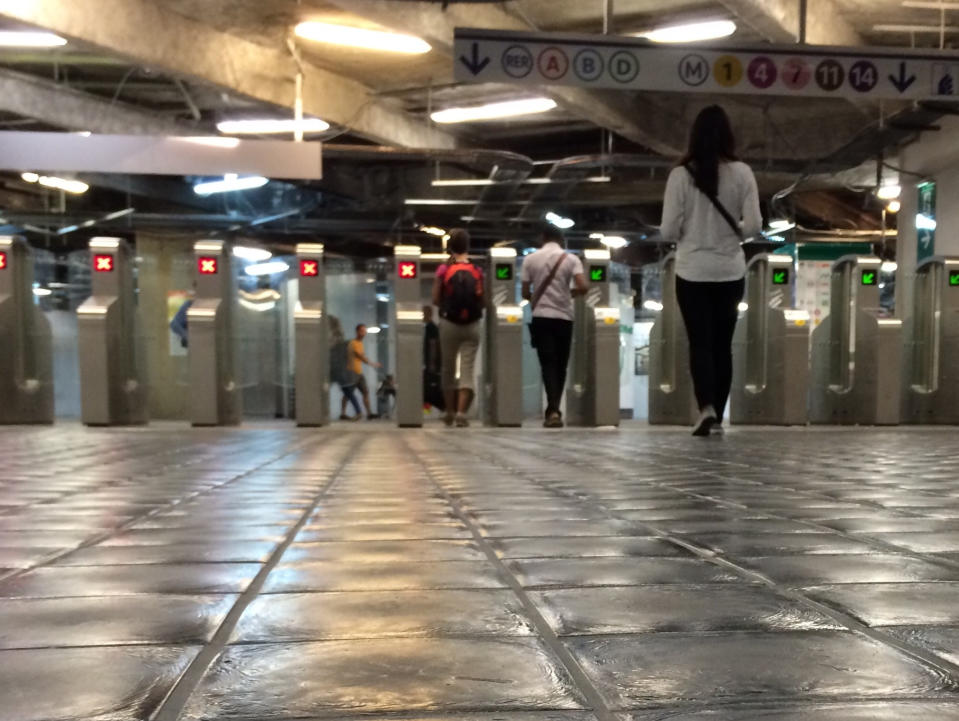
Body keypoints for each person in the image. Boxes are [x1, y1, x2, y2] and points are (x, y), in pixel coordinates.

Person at [660, 104, 762, 436]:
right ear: (728, 135)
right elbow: (754, 228)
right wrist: (733, 231)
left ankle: (705, 408)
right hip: (730, 273)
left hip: (691, 273)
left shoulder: (680, 175)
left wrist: (690, 232)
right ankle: (717, 413)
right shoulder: (743, 173)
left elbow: (667, 232)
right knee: (722, 345)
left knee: (699, 343)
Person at [521, 225, 588, 428]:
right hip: (564, 318)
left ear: (543, 237)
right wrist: (570, 294)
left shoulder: (530, 259)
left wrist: (537, 300)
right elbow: (583, 286)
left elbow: (525, 291)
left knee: (547, 363)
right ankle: (554, 410)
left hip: (541, 317)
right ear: (561, 239)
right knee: (561, 365)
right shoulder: (571, 259)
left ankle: (553, 411)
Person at [432, 228, 484, 427]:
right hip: (472, 325)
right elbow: (484, 301)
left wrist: (447, 308)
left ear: (449, 247)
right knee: (467, 370)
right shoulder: (477, 270)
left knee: (448, 368)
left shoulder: (444, 270)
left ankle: (450, 412)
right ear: (467, 246)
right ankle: (462, 413)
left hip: (449, 324)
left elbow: (436, 299)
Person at [328, 315, 361, 421]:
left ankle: (357, 411)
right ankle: (356, 411)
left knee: (347, 392)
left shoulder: (340, 342)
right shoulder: (338, 340)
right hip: (336, 370)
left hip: (338, 371)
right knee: (347, 392)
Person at [348, 323, 382, 420]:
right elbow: (360, 357)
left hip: (359, 373)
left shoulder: (360, 344)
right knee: (348, 394)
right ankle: (342, 413)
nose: (364, 333)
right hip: (351, 373)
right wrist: (373, 364)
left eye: (365, 331)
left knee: (365, 392)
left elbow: (362, 356)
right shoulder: (353, 343)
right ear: (357, 331)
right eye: (362, 331)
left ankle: (369, 413)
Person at [422, 305, 444, 412]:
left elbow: (433, 346)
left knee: (429, 389)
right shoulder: (430, 328)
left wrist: (431, 364)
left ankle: (442, 407)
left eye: (423, 313)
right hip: (431, 364)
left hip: (432, 364)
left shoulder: (430, 328)